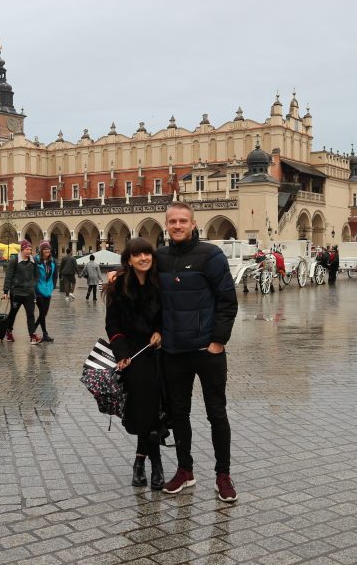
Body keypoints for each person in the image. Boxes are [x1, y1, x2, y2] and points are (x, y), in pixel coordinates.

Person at [156, 202, 239, 502]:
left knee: (216, 413)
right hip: (174, 351)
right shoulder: (160, 257)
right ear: (166, 225)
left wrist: (218, 340)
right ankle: (185, 470)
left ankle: (223, 475)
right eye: (172, 221)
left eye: (182, 221)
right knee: (179, 414)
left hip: (207, 350)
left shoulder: (211, 255)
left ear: (193, 224)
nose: (177, 226)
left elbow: (228, 300)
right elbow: (142, 285)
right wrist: (117, 275)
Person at [105, 237, 164, 490]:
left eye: (147, 254)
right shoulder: (119, 287)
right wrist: (121, 354)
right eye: (137, 255)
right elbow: (113, 324)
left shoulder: (159, 283)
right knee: (146, 410)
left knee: (156, 410)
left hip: (159, 353)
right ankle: (156, 464)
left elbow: (167, 313)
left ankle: (140, 461)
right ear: (128, 259)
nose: (143, 258)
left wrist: (160, 331)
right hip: (133, 356)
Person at [2, 240, 40, 344]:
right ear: (22, 250)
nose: (29, 251)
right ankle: (8, 332)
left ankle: (32, 335)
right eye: (27, 249)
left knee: (30, 314)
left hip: (29, 293)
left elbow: (37, 275)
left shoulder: (33, 261)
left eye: (30, 249)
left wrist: (33, 284)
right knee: (13, 313)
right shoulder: (14, 261)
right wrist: (6, 291)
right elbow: (8, 276)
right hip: (16, 293)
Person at [33, 241, 57, 342]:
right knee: (42, 312)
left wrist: (53, 286)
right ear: (41, 250)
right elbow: (33, 275)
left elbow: (55, 275)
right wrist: (34, 288)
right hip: (38, 290)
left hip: (48, 290)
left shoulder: (52, 261)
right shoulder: (36, 261)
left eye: (48, 249)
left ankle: (33, 329)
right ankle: (44, 333)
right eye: (45, 249)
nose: (47, 250)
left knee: (44, 313)